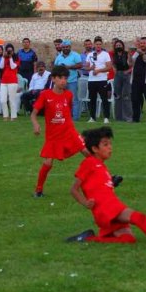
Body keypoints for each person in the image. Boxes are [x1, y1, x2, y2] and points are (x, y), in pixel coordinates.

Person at [64, 126, 146, 246]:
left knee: (128, 239)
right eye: (105, 144)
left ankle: (88, 239)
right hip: (106, 208)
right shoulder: (89, 163)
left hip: (110, 206)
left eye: (110, 144)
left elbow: (98, 186)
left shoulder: (101, 165)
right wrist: (85, 203)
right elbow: (74, 189)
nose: (110, 147)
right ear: (94, 149)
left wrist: (112, 182)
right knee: (139, 218)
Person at [31, 65, 90, 197]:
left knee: (88, 152)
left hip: (69, 132)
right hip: (53, 136)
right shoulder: (45, 95)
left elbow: (67, 112)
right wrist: (35, 125)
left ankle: (107, 178)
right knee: (47, 163)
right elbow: (33, 114)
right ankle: (39, 189)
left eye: (65, 78)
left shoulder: (68, 94)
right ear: (53, 79)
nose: (63, 81)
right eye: (60, 78)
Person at [86, 36, 112, 124]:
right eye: (96, 44)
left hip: (102, 80)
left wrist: (99, 70)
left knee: (104, 99)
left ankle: (106, 118)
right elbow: (86, 68)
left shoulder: (105, 54)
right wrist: (91, 68)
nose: (98, 46)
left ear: (101, 45)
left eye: (100, 44)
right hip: (92, 80)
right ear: (94, 45)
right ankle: (92, 117)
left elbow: (109, 67)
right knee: (92, 99)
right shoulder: (90, 54)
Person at [55, 40, 83, 120]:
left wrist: (69, 67)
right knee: (61, 100)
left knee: (73, 100)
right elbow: (55, 67)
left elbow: (80, 65)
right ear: (62, 48)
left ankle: (75, 118)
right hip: (61, 82)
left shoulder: (75, 55)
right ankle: (63, 116)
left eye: (67, 47)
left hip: (72, 81)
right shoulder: (59, 57)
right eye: (64, 47)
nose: (65, 48)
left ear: (70, 47)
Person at [111, 39, 132, 122]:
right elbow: (113, 63)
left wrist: (127, 71)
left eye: (119, 45)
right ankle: (118, 117)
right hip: (117, 76)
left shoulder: (126, 54)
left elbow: (130, 64)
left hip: (126, 75)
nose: (118, 47)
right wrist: (114, 69)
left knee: (126, 96)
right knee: (117, 96)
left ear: (122, 46)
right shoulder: (114, 55)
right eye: (117, 46)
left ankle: (128, 117)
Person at [0, 43, 21, 121]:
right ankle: (5, 115)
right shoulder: (4, 58)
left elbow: (13, 66)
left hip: (12, 81)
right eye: (8, 50)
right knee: (3, 100)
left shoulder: (17, 58)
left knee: (12, 99)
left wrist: (10, 57)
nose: (9, 52)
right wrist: (3, 57)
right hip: (3, 81)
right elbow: (1, 66)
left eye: (10, 50)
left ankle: (13, 116)